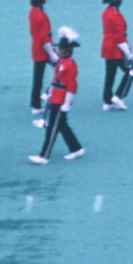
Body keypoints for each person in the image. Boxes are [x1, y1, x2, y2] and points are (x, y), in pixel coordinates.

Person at [33, 30, 84, 164]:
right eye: (60, 48)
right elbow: (56, 78)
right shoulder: (62, 62)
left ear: (68, 50)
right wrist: (49, 92)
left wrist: (66, 103)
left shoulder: (69, 65)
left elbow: (71, 86)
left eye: (62, 48)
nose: (60, 50)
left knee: (52, 128)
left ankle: (44, 155)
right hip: (55, 97)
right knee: (62, 125)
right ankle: (76, 148)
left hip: (60, 100)